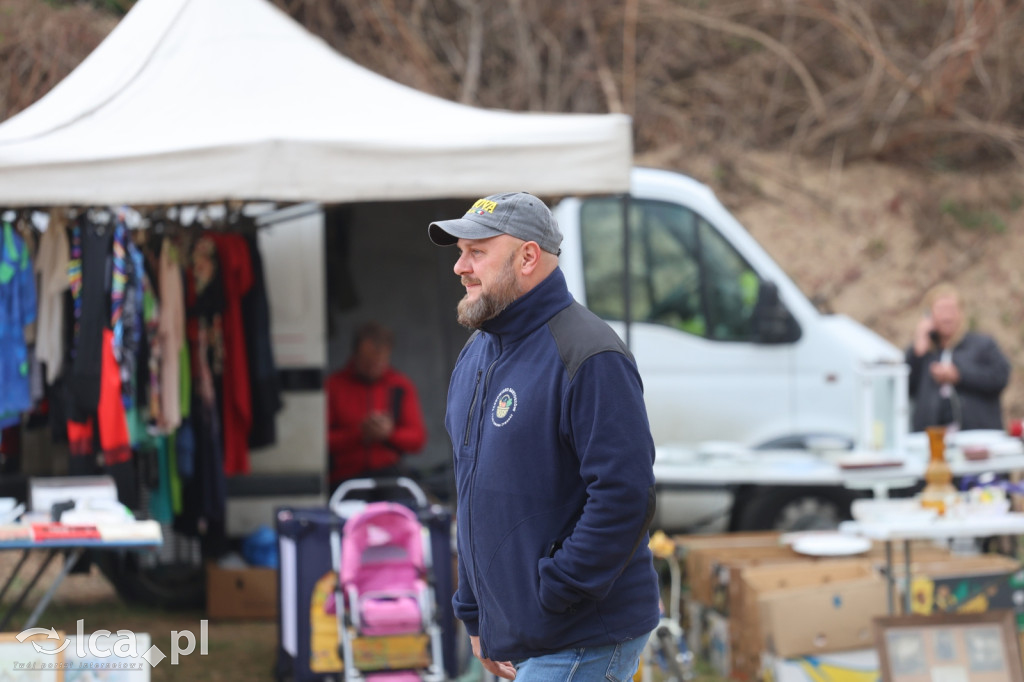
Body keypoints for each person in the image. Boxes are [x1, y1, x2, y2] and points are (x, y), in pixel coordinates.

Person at [428, 192, 659, 681]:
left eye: (477, 252)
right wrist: (478, 613)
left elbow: (625, 496)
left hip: (579, 633)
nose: (460, 267)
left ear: (528, 257)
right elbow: (472, 493)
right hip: (524, 631)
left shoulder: (591, 354)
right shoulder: (477, 354)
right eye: (459, 252)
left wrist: (554, 592)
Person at [326, 321, 427, 492]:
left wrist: (389, 434)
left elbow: (417, 439)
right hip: (345, 477)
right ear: (355, 355)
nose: (373, 367)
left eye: (380, 360)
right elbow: (320, 442)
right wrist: (359, 433)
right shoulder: (334, 386)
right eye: (367, 361)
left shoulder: (400, 386)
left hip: (390, 474)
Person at [906, 283, 1010, 432]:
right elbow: (905, 389)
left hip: (976, 437)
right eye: (941, 310)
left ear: (961, 313)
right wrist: (918, 349)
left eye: (952, 309)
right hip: (932, 439)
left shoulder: (982, 345)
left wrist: (959, 375)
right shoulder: (923, 352)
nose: (947, 316)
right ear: (929, 314)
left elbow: (1000, 377)